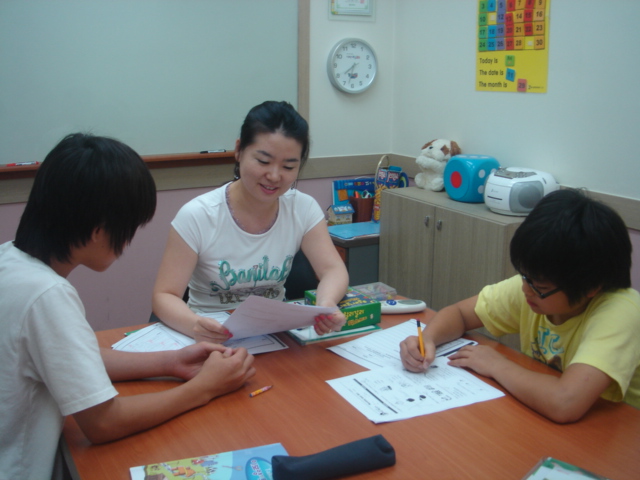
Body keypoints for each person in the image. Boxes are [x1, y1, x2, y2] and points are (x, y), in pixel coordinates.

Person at [0, 133, 256, 480]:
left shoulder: (11, 259)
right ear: (98, 230)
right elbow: (103, 422)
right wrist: (204, 388)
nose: (128, 242)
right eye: (129, 228)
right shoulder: (47, 295)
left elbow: (69, 356)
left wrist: (169, 362)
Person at [400, 188, 640, 423]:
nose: (526, 289)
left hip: (615, 435)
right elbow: (460, 314)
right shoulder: (535, 288)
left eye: (540, 286)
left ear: (591, 287)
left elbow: (565, 402)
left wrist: (496, 365)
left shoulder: (621, 312)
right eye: (524, 276)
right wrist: (428, 339)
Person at [152, 101, 349, 343]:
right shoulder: (198, 215)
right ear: (239, 150)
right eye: (263, 162)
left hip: (273, 335)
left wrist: (326, 303)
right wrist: (196, 326)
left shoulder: (303, 208)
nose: (274, 176)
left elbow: (332, 269)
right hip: (210, 337)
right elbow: (164, 295)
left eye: (288, 166)